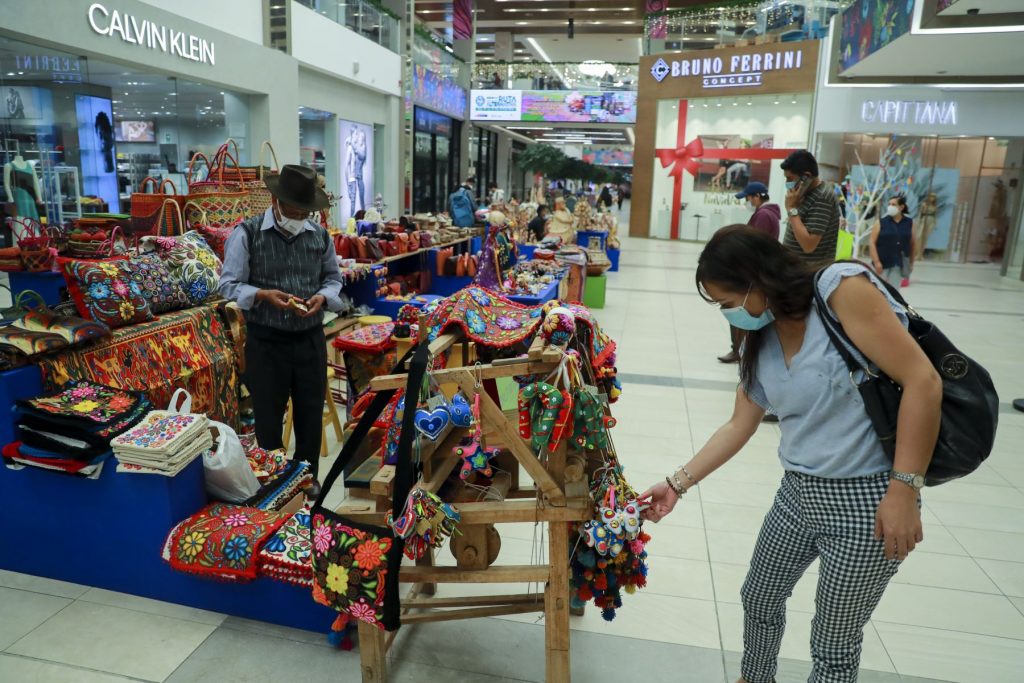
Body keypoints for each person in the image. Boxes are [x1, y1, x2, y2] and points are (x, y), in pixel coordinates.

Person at [641, 225, 941, 683]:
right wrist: (677, 483)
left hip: (869, 502)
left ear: (757, 281)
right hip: (797, 496)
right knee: (758, 596)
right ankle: (754, 678)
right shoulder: (761, 336)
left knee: (833, 639)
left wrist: (904, 490)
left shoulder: (842, 292)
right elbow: (740, 423)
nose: (727, 314)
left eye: (727, 301)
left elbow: (924, 381)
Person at [219, 164, 350, 499]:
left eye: (306, 210)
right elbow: (228, 285)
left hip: (309, 339)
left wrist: (324, 297)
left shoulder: (319, 235)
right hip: (266, 341)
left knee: (309, 414)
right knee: (268, 418)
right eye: (295, 209)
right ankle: (274, 481)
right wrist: (262, 295)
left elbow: (334, 279)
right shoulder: (246, 233)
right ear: (277, 201)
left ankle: (306, 479)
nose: (300, 215)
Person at [719, 183, 782, 364]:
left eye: (747, 198)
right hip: (760, 271)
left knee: (736, 308)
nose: (746, 202)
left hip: (753, 272)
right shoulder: (769, 214)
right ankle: (742, 350)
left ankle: (737, 350)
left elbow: (753, 245)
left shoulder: (763, 215)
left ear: (756, 196)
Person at [780, 150, 841, 265]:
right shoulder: (804, 193)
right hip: (794, 270)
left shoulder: (822, 197)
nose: (787, 182)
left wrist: (791, 209)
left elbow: (808, 245)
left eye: (790, 178)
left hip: (807, 273)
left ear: (806, 177)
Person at [869, 195, 914, 287]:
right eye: (889, 204)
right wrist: (876, 261)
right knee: (879, 290)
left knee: (894, 291)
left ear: (901, 207)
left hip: (898, 263)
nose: (890, 206)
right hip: (881, 263)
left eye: (893, 204)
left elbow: (912, 244)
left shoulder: (909, 223)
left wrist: (911, 262)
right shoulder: (881, 222)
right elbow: (872, 242)